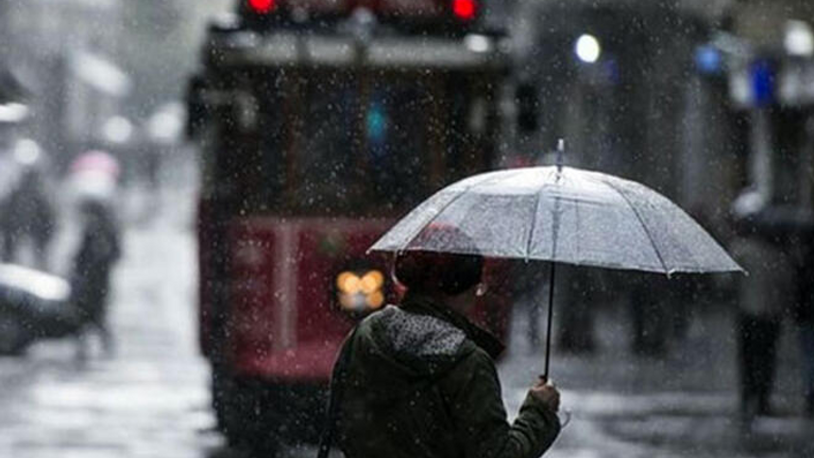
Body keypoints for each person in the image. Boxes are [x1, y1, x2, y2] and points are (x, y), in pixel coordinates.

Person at [320, 234, 561, 458]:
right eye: (477, 288)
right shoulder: (467, 362)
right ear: (461, 289)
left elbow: (341, 423)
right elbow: (498, 454)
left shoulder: (365, 335)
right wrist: (539, 411)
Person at [70, 198, 121, 358]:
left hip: (95, 282)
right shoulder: (94, 231)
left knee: (94, 316)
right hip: (91, 281)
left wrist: (93, 265)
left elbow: (112, 255)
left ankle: (103, 348)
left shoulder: (102, 231)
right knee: (89, 316)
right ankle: (87, 348)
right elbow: (81, 255)